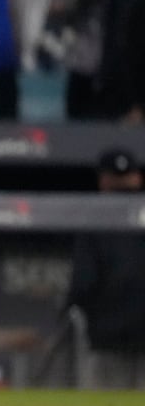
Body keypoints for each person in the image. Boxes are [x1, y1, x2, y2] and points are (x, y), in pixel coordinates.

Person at [66, 148, 145, 389]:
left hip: (108, 336)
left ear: (103, 180)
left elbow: (83, 283)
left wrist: (73, 305)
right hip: (118, 333)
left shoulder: (95, 217)